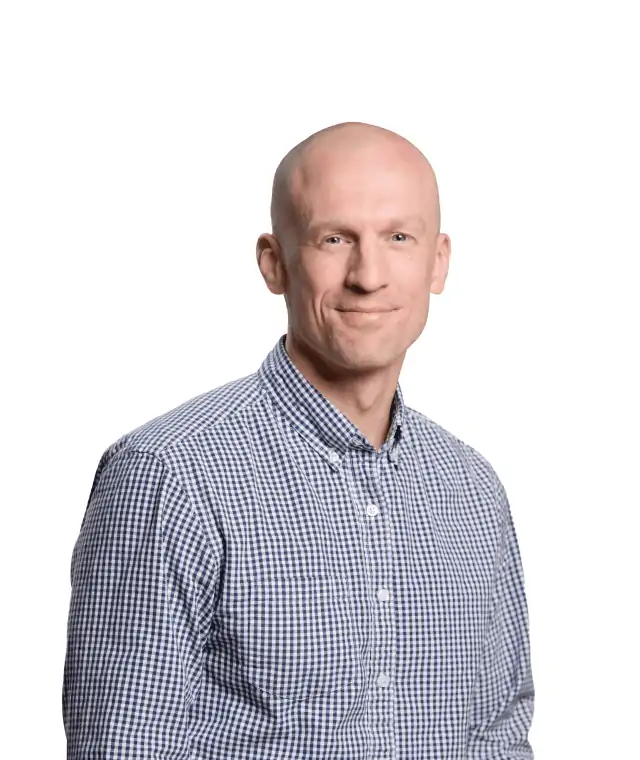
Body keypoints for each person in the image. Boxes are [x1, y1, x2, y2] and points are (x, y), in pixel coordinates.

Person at [62, 121, 535, 759]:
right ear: (274, 263)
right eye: (334, 238)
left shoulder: (472, 490)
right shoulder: (168, 474)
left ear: (438, 262)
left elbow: (497, 738)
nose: (368, 275)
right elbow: (125, 747)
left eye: (399, 237)